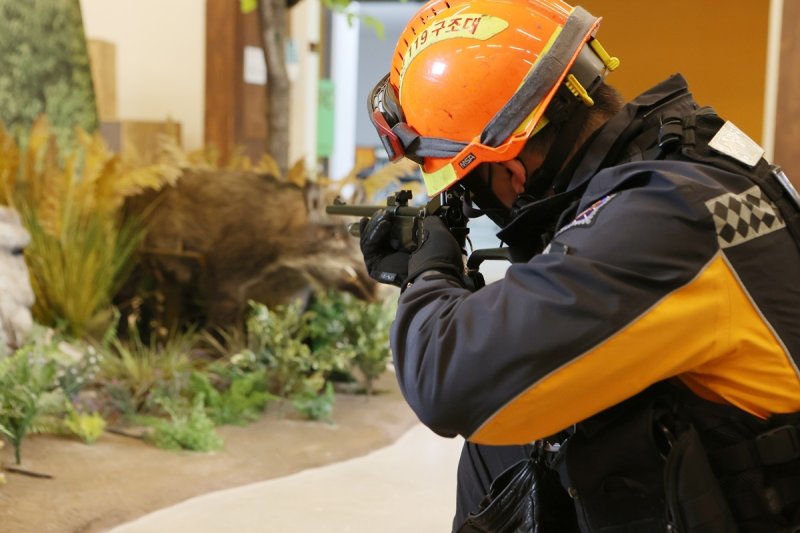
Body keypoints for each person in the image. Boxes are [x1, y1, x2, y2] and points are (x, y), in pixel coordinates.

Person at [359, 0, 800, 531]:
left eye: (469, 189)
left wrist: (428, 271)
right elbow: (559, 291)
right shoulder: (686, 159)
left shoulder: (662, 219)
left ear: (513, 172)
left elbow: (446, 381)